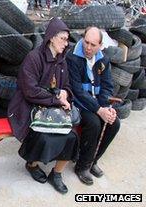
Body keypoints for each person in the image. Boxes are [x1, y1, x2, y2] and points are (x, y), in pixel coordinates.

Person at [8, 17, 78, 194]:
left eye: (67, 39)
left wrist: (65, 93)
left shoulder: (62, 61)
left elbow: (68, 85)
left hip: (53, 107)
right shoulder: (34, 58)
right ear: (51, 37)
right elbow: (30, 91)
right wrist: (56, 99)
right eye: (62, 38)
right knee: (43, 136)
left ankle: (57, 173)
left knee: (71, 136)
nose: (65, 43)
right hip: (29, 106)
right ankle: (32, 164)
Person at [67, 27, 120, 185]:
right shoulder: (73, 58)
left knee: (114, 123)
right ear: (83, 39)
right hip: (79, 103)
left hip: (97, 102)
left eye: (93, 44)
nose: (88, 48)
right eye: (86, 42)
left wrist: (107, 107)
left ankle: (92, 160)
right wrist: (99, 110)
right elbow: (77, 91)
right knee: (94, 123)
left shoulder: (103, 59)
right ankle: (82, 166)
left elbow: (107, 86)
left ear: (100, 45)